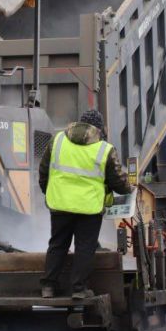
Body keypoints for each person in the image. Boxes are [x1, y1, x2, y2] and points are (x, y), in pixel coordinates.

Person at [38, 109, 132, 300]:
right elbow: (117, 182)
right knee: (85, 248)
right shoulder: (104, 149)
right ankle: (79, 289)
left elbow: (43, 172)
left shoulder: (57, 141)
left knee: (57, 244)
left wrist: (50, 193)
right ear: (98, 129)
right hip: (89, 209)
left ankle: (48, 287)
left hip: (60, 204)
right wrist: (128, 188)